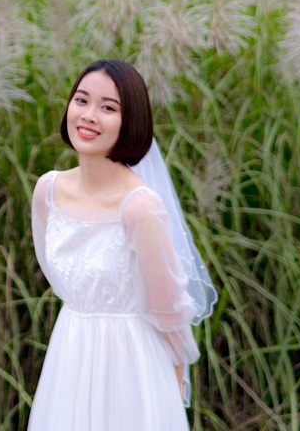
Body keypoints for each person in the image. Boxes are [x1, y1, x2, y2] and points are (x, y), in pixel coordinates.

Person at [27, 59, 216, 430]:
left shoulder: (140, 206)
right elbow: (55, 274)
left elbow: (169, 311)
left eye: (108, 108)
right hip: (71, 352)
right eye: (81, 100)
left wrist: (172, 386)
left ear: (130, 122)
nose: (89, 115)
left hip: (133, 364)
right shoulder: (47, 191)